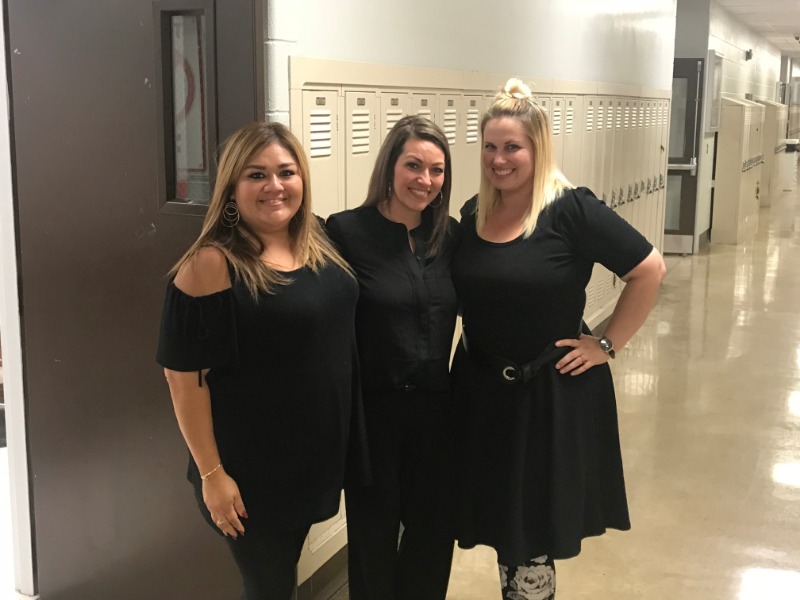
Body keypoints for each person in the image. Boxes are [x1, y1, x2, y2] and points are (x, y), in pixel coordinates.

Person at [450, 79, 666, 600]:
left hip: (547, 394)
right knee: (503, 523)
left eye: (512, 147)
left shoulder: (571, 210)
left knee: (533, 534)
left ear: (537, 148)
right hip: (482, 391)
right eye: (491, 147)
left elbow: (649, 269)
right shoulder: (473, 213)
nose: (500, 159)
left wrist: (606, 345)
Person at [156, 122, 367, 600]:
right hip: (250, 472)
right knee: (269, 585)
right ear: (232, 188)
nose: (274, 186)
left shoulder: (316, 240)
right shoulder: (212, 264)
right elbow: (182, 377)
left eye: (286, 172)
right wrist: (213, 476)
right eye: (256, 175)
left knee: (281, 574)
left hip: (310, 459)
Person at [326, 115, 460, 600]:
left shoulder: (451, 237)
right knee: (372, 541)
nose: (425, 180)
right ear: (390, 166)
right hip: (373, 417)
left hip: (437, 415)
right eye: (413, 165)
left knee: (432, 538)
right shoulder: (344, 232)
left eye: (437, 170)